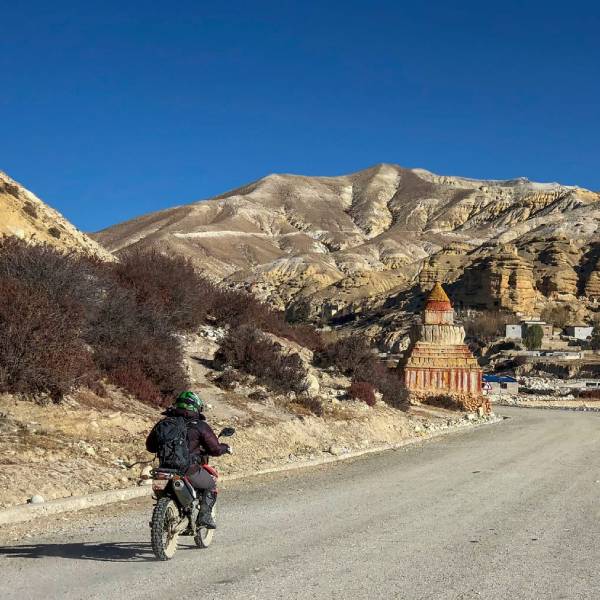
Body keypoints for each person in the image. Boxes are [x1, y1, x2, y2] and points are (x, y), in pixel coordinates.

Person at [145, 391, 230, 529]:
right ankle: (204, 517)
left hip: (163, 470)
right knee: (210, 485)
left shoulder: (164, 423)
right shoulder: (199, 425)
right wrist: (225, 447)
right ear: (196, 407)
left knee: (160, 494)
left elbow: (150, 447)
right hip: (188, 470)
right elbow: (215, 449)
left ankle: (161, 519)